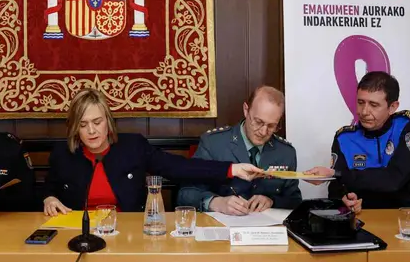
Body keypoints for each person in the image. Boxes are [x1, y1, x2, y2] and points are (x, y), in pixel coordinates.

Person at [42, 89, 264, 216]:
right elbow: (49, 188)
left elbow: (179, 167)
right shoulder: (63, 153)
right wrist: (49, 198)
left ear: (108, 122)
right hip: (78, 237)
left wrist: (232, 169)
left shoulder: (132, 147)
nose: (91, 131)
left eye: (97, 122)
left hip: (126, 235)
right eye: (83, 124)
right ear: (74, 128)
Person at [306, 72, 410, 209]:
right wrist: (345, 199)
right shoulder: (344, 138)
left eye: (374, 105)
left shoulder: (409, 126)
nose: (364, 111)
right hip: (365, 219)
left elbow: (394, 179)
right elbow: (336, 188)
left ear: (392, 107)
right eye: (360, 102)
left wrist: (339, 174)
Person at [177, 86, 302, 215]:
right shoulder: (214, 143)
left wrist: (272, 201)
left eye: (271, 126)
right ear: (246, 110)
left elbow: (295, 201)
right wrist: (216, 202)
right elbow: (186, 194)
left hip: (266, 232)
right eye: (258, 122)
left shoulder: (286, 152)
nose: (264, 132)